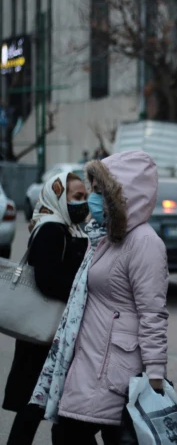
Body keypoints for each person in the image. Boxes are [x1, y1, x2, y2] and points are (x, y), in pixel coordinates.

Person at [29, 151, 169, 445]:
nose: (91, 197)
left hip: (114, 368)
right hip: (89, 360)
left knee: (70, 434)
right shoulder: (105, 237)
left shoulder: (145, 243)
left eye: (97, 190)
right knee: (68, 433)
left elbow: (153, 313)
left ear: (119, 195)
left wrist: (156, 376)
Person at [3, 172, 92, 445]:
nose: (84, 203)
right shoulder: (52, 229)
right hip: (44, 334)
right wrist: (81, 293)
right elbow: (46, 280)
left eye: (86, 197)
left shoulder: (69, 228)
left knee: (46, 409)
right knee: (33, 407)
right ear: (58, 198)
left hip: (56, 333)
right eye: (77, 197)